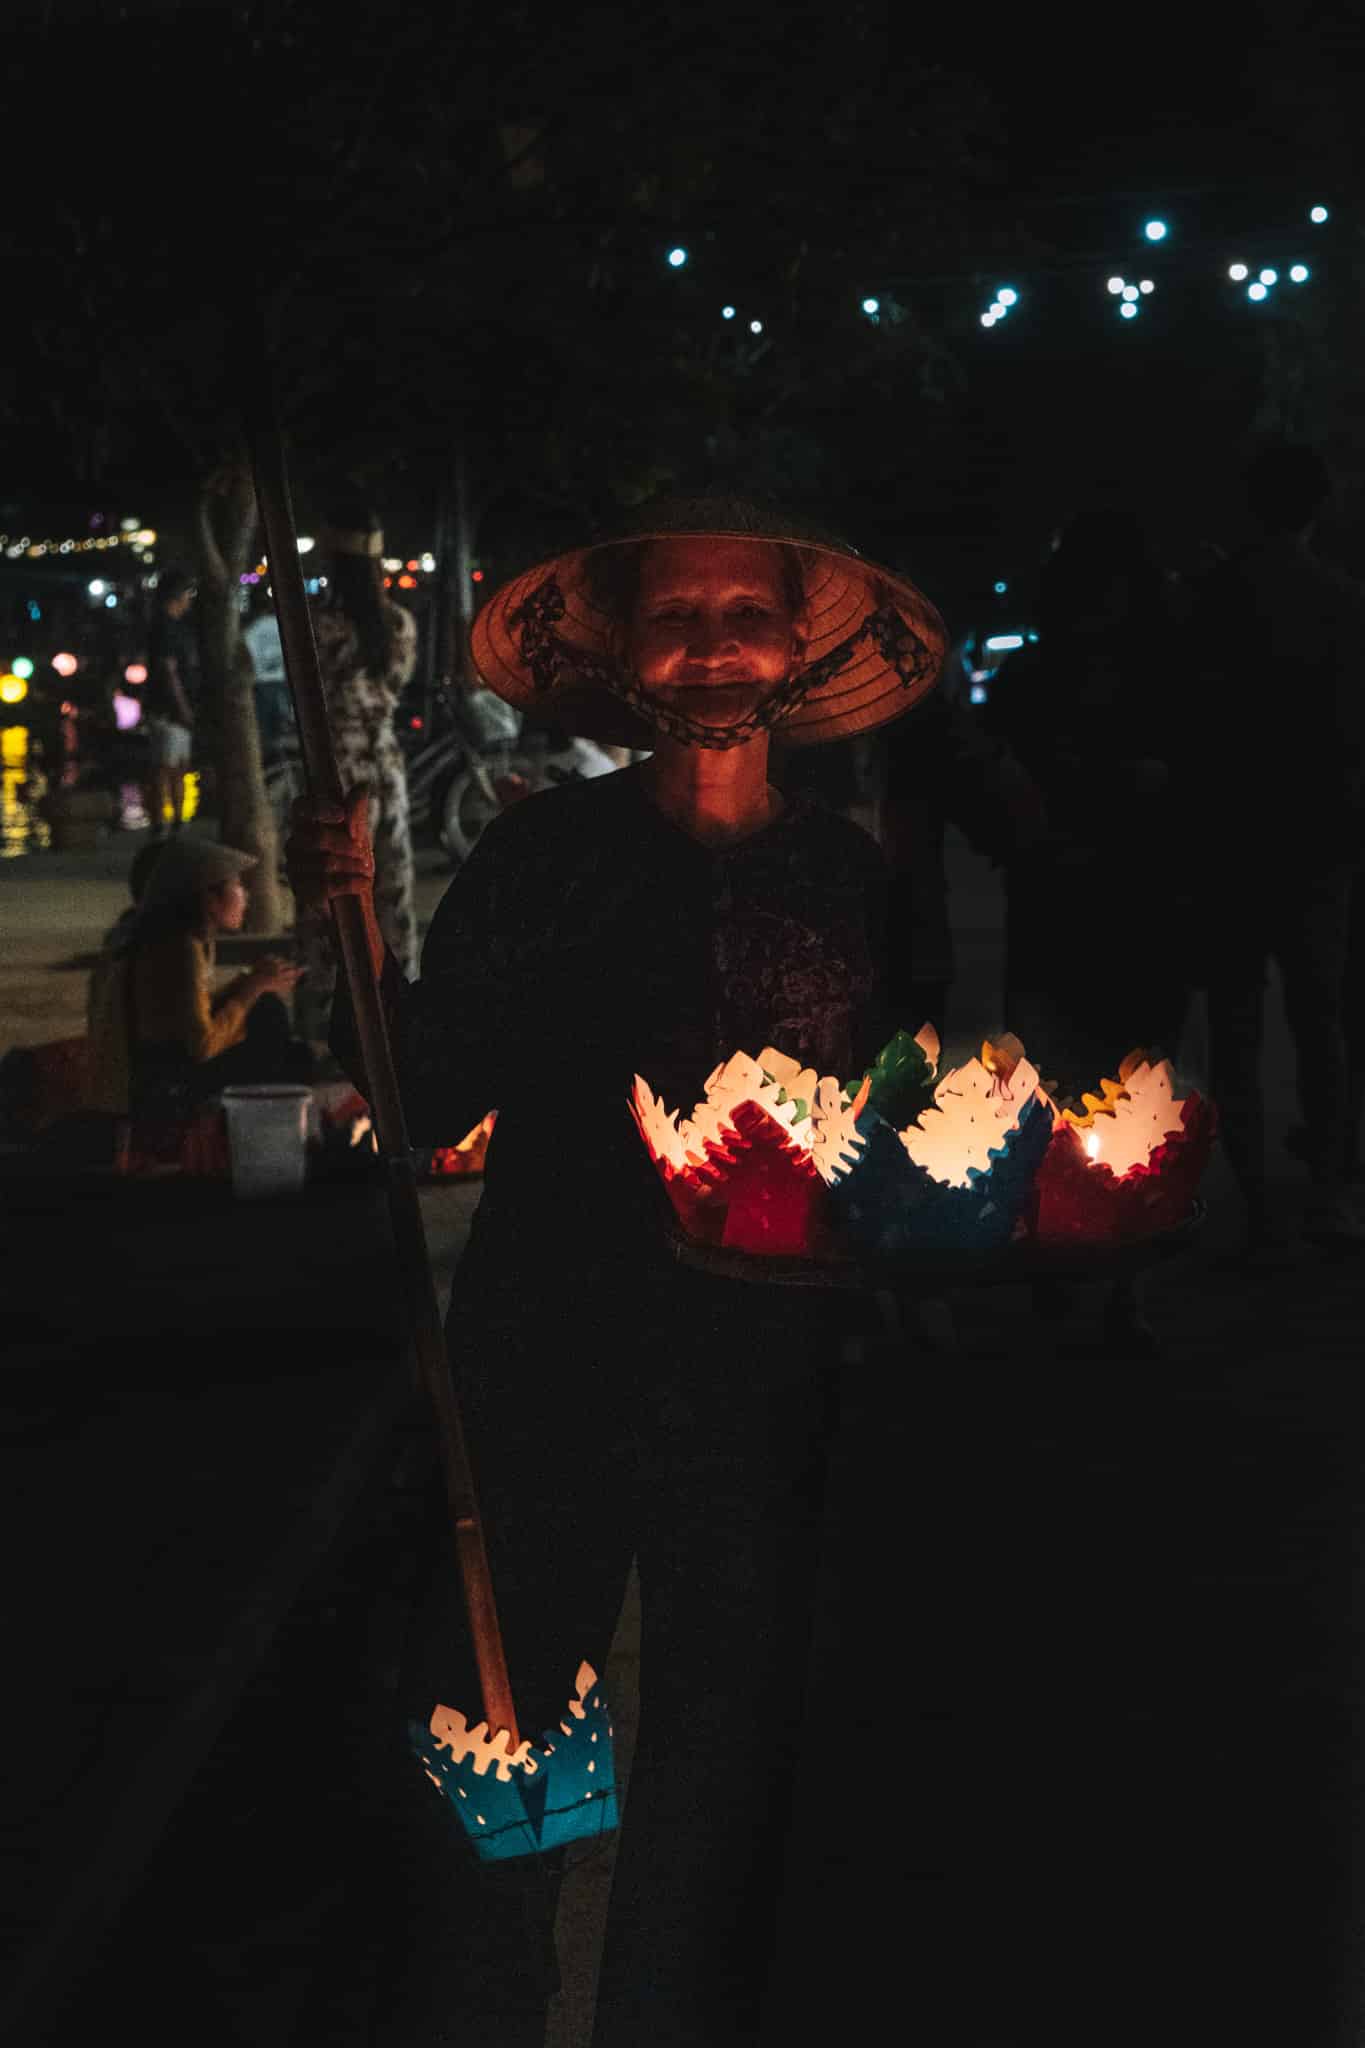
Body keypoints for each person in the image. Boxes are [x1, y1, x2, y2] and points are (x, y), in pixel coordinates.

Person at [285, 493, 947, 2046]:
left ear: (798, 648)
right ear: (627, 653)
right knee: (508, 1727)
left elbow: (915, 1137)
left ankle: (678, 2006)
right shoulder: (541, 857)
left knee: (729, 1739)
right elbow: (426, 1097)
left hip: (773, 1382)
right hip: (546, 1363)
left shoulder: (856, 882)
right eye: (676, 613)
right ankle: (491, 2000)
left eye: (744, 614)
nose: (711, 645)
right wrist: (357, 929)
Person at [1184, 442, 1365, 1250]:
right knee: (1319, 1016)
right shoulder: (1342, 602)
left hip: (1230, 838)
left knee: (1235, 1023)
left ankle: (1254, 1196)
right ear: (1315, 507)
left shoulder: (1212, 598)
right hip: (1319, 836)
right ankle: (1327, 1190)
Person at [293, 504, 419, 1041]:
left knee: (329, 899)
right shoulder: (397, 625)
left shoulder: (315, 627)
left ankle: (328, 1027)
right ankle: (399, 1022)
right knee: (391, 897)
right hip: (385, 769)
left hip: (331, 771)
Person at [86, 835, 311, 1124]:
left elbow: (188, 1017)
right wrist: (253, 988)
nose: (246, 895)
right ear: (209, 899)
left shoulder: (171, 941)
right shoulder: (178, 949)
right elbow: (201, 1045)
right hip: (154, 1089)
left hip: (150, 1074)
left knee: (283, 1036)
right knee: (272, 1021)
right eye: (237, 886)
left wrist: (250, 983)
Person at [141, 565, 198, 836]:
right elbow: (168, 671)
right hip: (167, 710)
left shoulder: (174, 627)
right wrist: (183, 707)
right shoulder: (165, 628)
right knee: (165, 767)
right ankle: (162, 822)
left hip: (173, 708)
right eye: (188, 593)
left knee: (177, 767)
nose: (190, 599)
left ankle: (174, 820)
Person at [242, 584, 294, 762]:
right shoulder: (281, 626)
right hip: (280, 684)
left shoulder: (250, 630)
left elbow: (247, 661)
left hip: (261, 686)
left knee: (264, 734)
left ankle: (270, 766)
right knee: (282, 730)